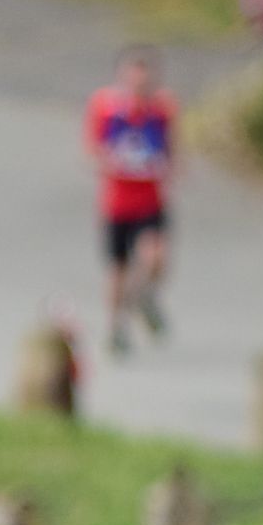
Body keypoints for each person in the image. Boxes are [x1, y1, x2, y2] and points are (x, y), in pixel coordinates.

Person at [87, 45, 178, 356]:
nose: (139, 86)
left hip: (150, 201)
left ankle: (143, 297)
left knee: (156, 258)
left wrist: (169, 166)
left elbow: (172, 151)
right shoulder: (106, 107)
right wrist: (116, 161)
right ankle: (116, 327)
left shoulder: (162, 108)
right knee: (118, 271)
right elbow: (94, 151)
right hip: (117, 203)